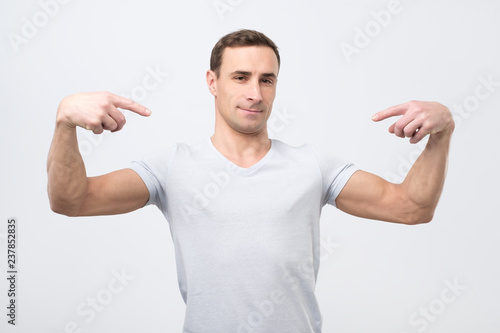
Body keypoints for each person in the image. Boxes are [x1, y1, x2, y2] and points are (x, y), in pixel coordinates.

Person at [47, 29, 454, 332]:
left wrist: (442, 133)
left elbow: (411, 208)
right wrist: (65, 121)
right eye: (240, 77)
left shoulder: (312, 165)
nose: (255, 93)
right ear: (213, 82)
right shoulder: (172, 166)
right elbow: (72, 201)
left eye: (267, 79)